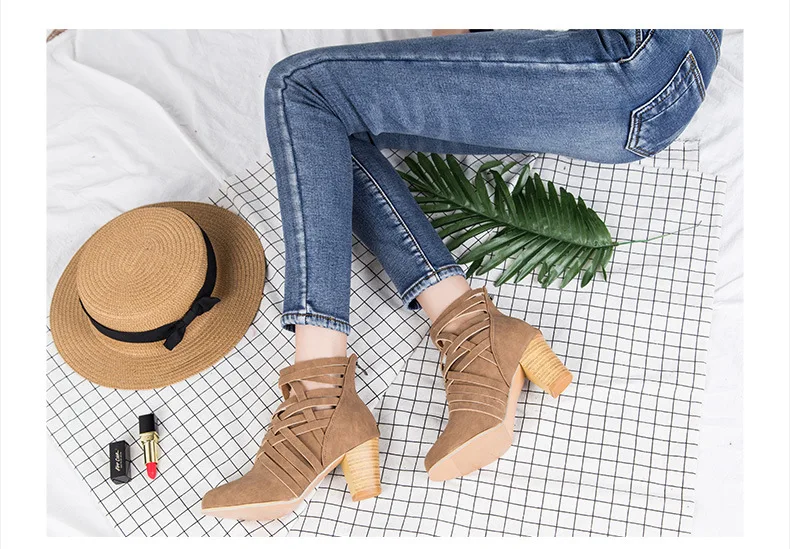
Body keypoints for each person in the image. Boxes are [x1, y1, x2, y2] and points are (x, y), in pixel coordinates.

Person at [201, 29, 722, 520]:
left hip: (636, 57)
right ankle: (470, 328)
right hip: (649, 79)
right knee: (323, 126)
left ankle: (320, 394)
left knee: (300, 89)